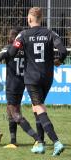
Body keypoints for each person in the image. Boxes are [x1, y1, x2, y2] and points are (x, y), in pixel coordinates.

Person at [8, 7, 67, 156]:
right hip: (47, 77)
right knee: (37, 108)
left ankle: (56, 142)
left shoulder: (23, 35)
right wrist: (59, 60)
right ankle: (40, 143)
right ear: (41, 19)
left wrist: (19, 48)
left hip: (32, 78)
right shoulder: (50, 33)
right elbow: (63, 51)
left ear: (29, 19)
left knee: (39, 108)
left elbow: (12, 53)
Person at [0, 27, 42, 149]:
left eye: (10, 34)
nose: (9, 36)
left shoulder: (9, 48)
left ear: (13, 36)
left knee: (14, 113)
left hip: (12, 83)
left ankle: (37, 138)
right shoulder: (27, 49)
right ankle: (13, 141)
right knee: (11, 110)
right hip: (23, 82)